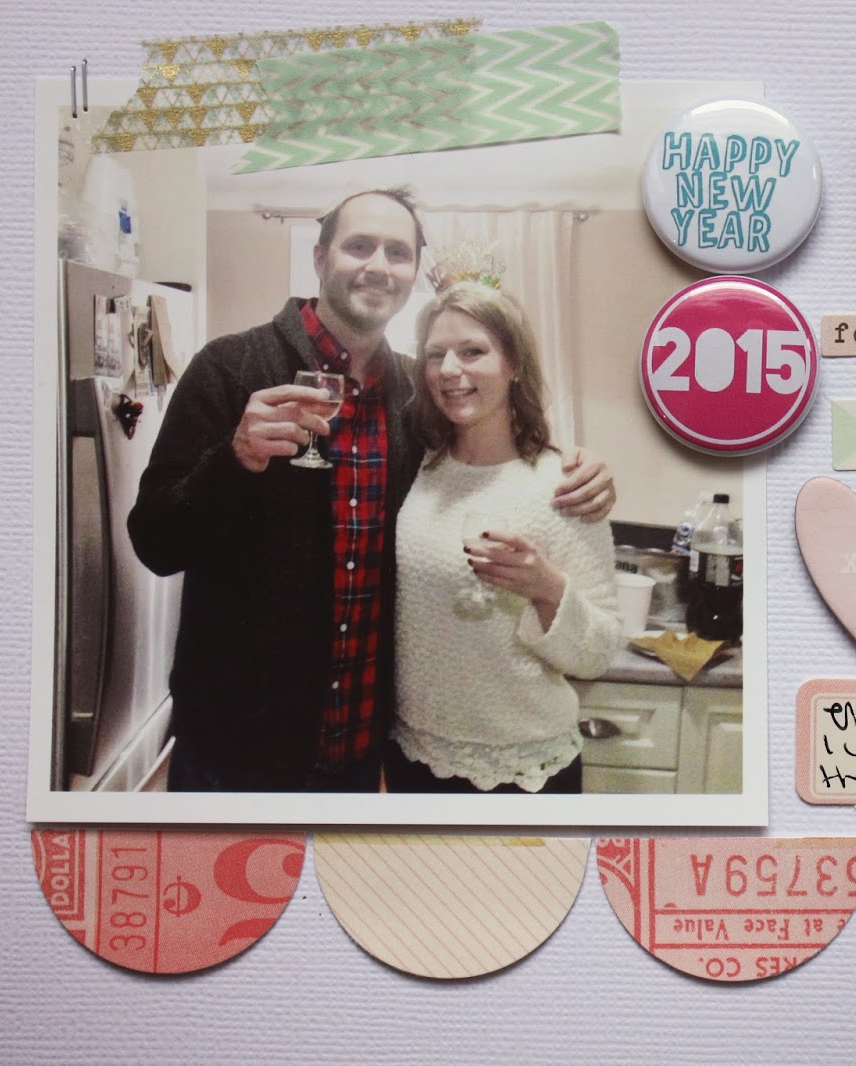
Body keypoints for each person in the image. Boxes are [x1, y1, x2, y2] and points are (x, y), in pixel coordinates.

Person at [127, 187, 615, 792]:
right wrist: (234, 459)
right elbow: (154, 543)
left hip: (362, 753)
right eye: (359, 246)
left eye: (398, 252)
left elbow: (490, 449)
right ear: (320, 257)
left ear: (413, 273)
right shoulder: (230, 368)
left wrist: (579, 464)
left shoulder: (415, 394)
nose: (379, 266)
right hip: (233, 749)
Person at [385, 282, 622, 794]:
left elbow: (600, 652)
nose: (450, 369)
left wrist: (547, 589)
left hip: (525, 770)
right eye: (435, 355)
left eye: (473, 351)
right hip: (411, 756)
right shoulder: (418, 467)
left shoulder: (564, 483)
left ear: (514, 363)